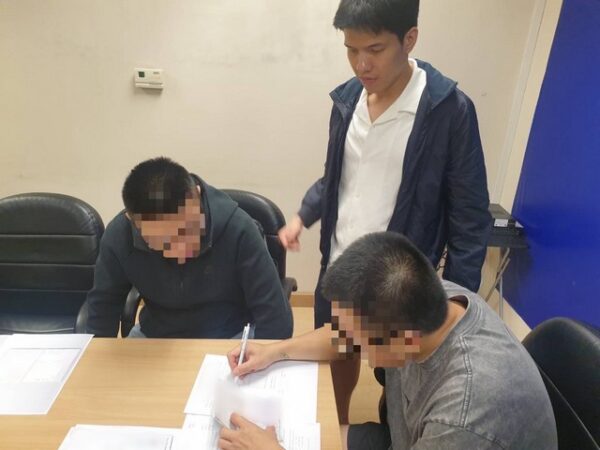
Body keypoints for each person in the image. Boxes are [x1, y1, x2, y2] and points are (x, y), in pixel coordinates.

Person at [278, 0, 492, 422]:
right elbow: (336, 177)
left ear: (409, 39)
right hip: (341, 265)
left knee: (398, 376)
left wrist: (455, 301)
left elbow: (470, 219)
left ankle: (395, 429)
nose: (361, 64)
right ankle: (339, 424)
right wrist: (304, 215)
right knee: (337, 348)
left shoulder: (448, 110)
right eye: (351, 49)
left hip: (397, 280)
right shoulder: (347, 100)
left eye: (375, 50)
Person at [220, 232, 557, 450]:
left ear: (405, 342)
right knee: (312, 437)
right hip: (404, 436)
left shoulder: (463, 416)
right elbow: (344, 335)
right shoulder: (426, 297)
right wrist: (275, 352)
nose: (349, 343)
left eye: (362, 342)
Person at [85, 157, 293, 339]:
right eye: (165, 243)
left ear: (197, 195)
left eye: (188, 231)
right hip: (155, 336)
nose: (181, 251)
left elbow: (275, 319)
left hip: (230, 334)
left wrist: (260, 357)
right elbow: (103, 305)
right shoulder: (120, 235)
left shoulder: (239, 228)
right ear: (133, 221)